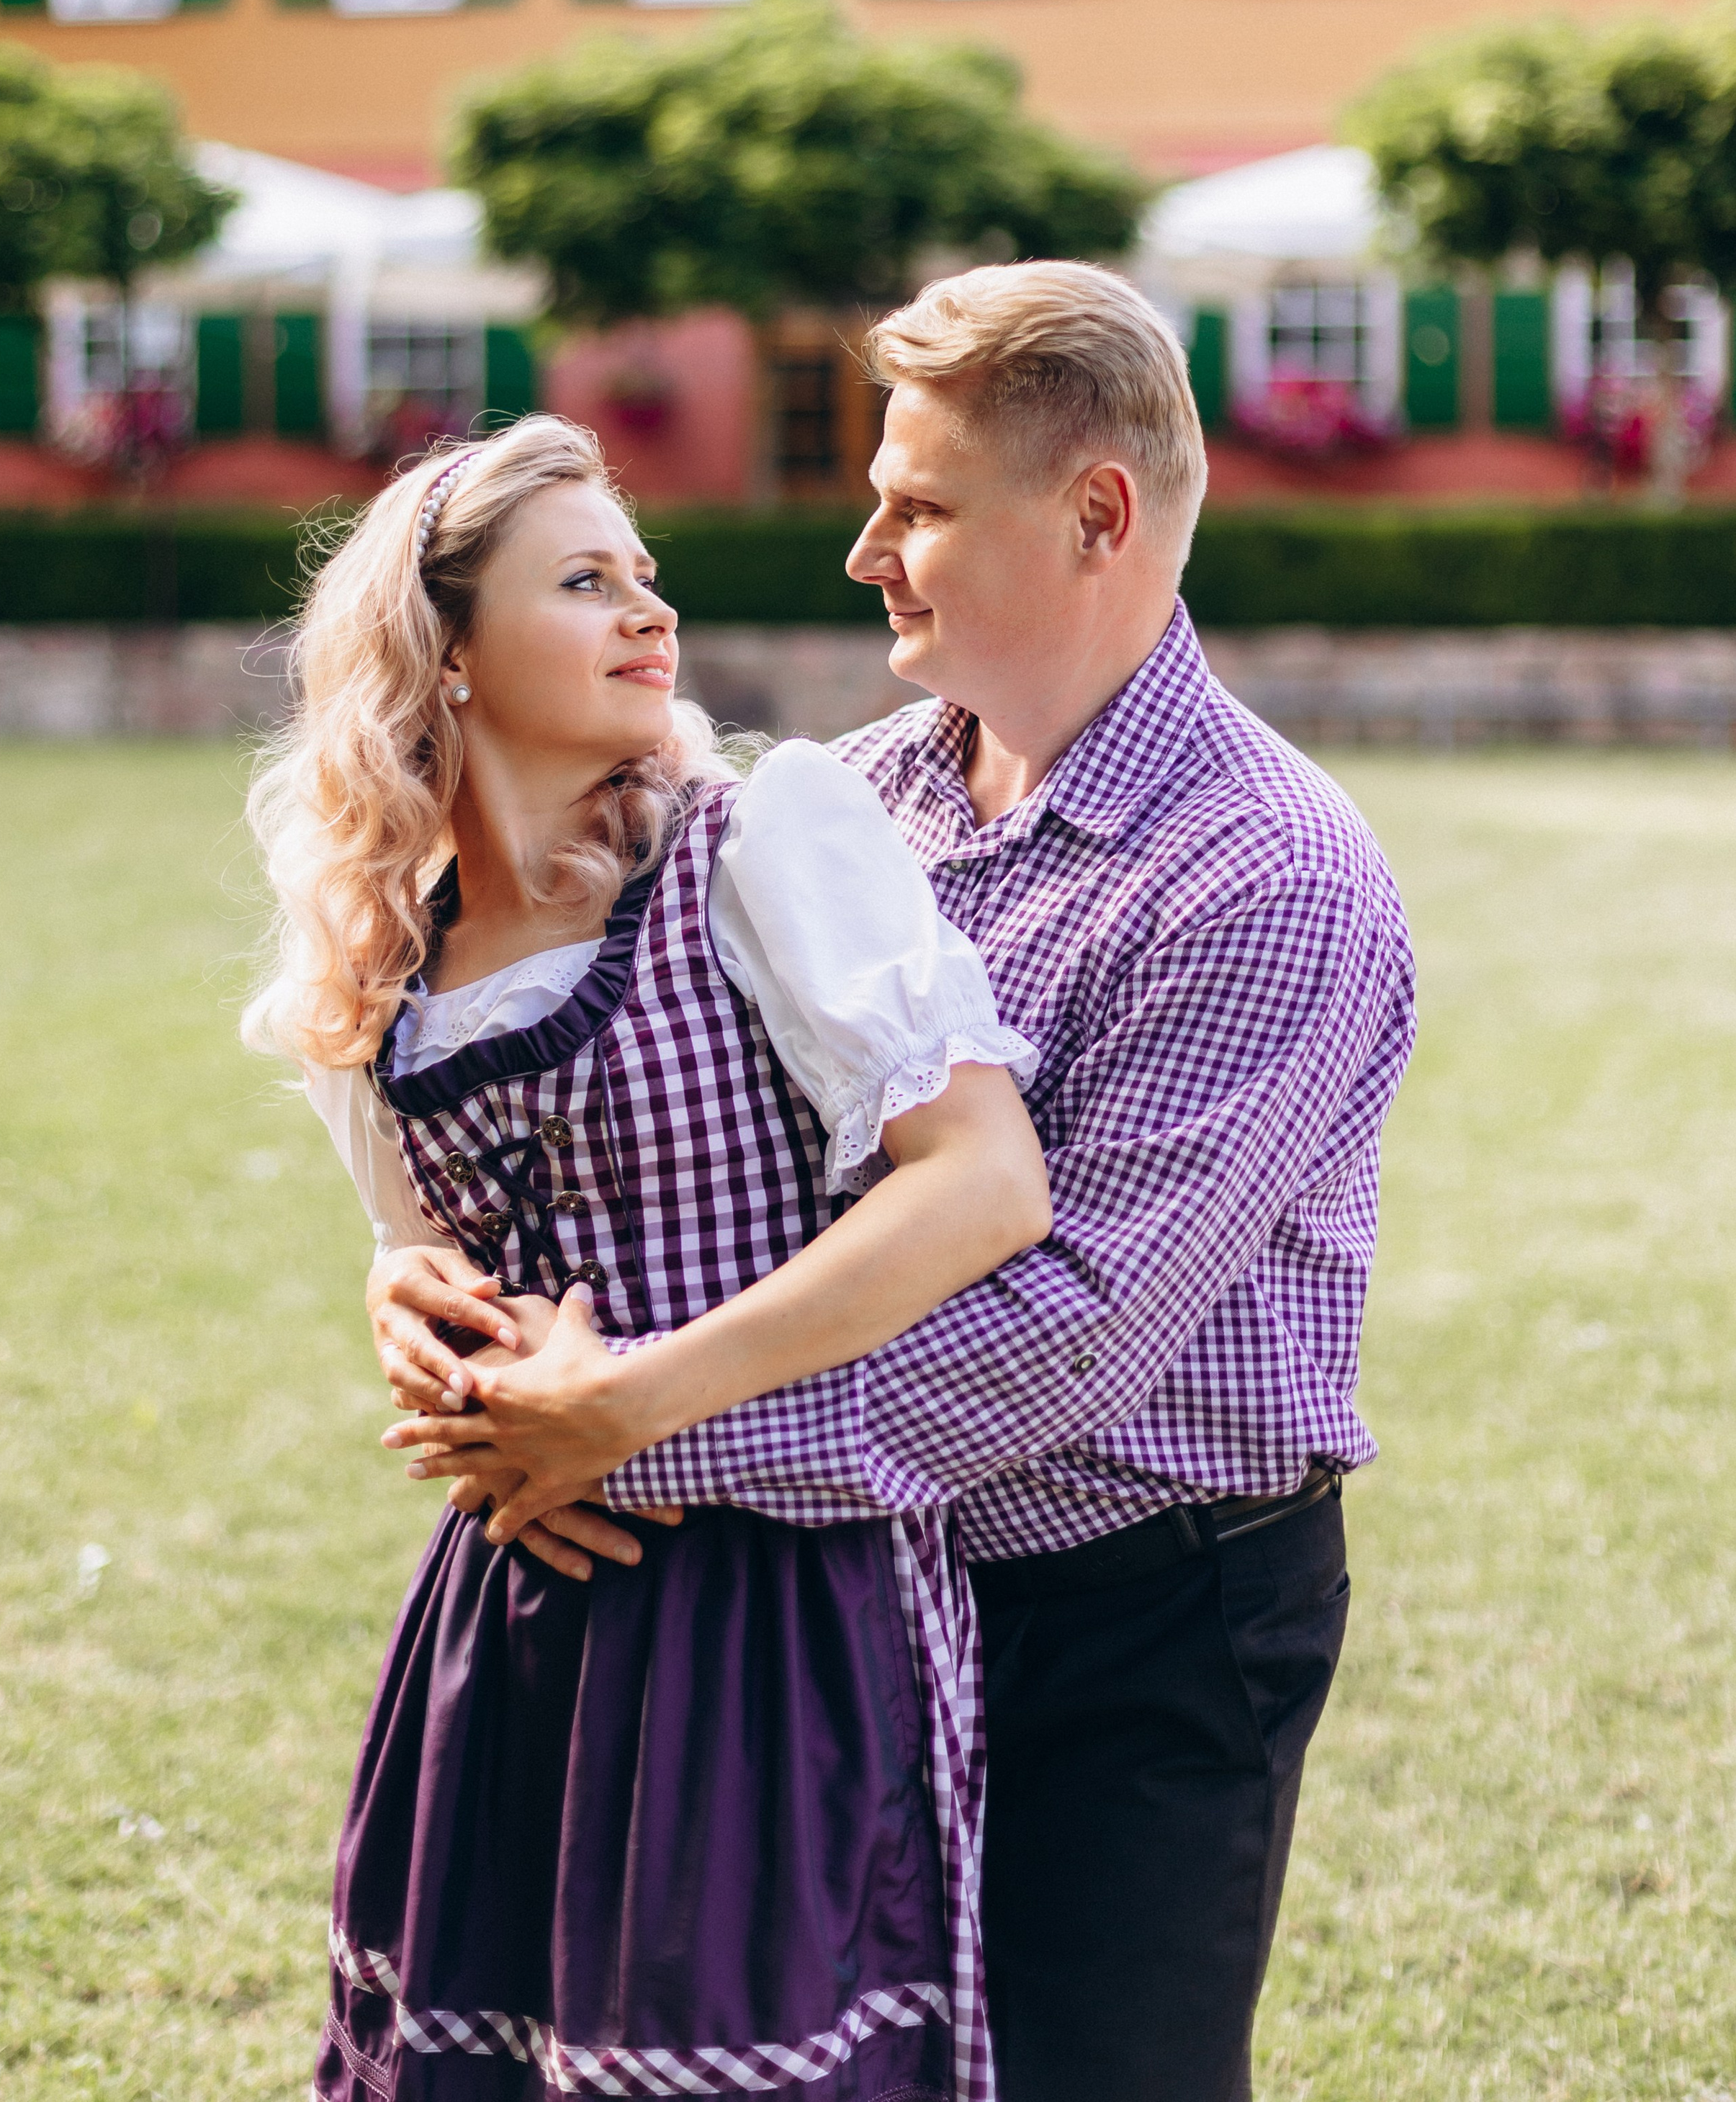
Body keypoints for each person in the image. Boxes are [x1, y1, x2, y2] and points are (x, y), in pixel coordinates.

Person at [389, 266, 1417, 2102]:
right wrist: (448, 1307)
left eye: (917, 506)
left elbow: (1057, 1343)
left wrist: (617, 1432)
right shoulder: (841, 803)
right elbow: (638, 1128)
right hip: (846, 1591)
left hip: (1141, 1622)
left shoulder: (1271, 879)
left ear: (1094, 514)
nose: (865, 549)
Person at [243, 413, 1050, 2102]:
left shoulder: (763, 848)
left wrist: (633, 1401)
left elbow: (980, 1185)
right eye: (585, 579)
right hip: (523, 1594)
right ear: (443, 655)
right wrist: (407, 1309)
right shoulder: (382, 972)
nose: (648, 615)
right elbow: (423, 1257)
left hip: (779, 1594)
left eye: (647, 577)